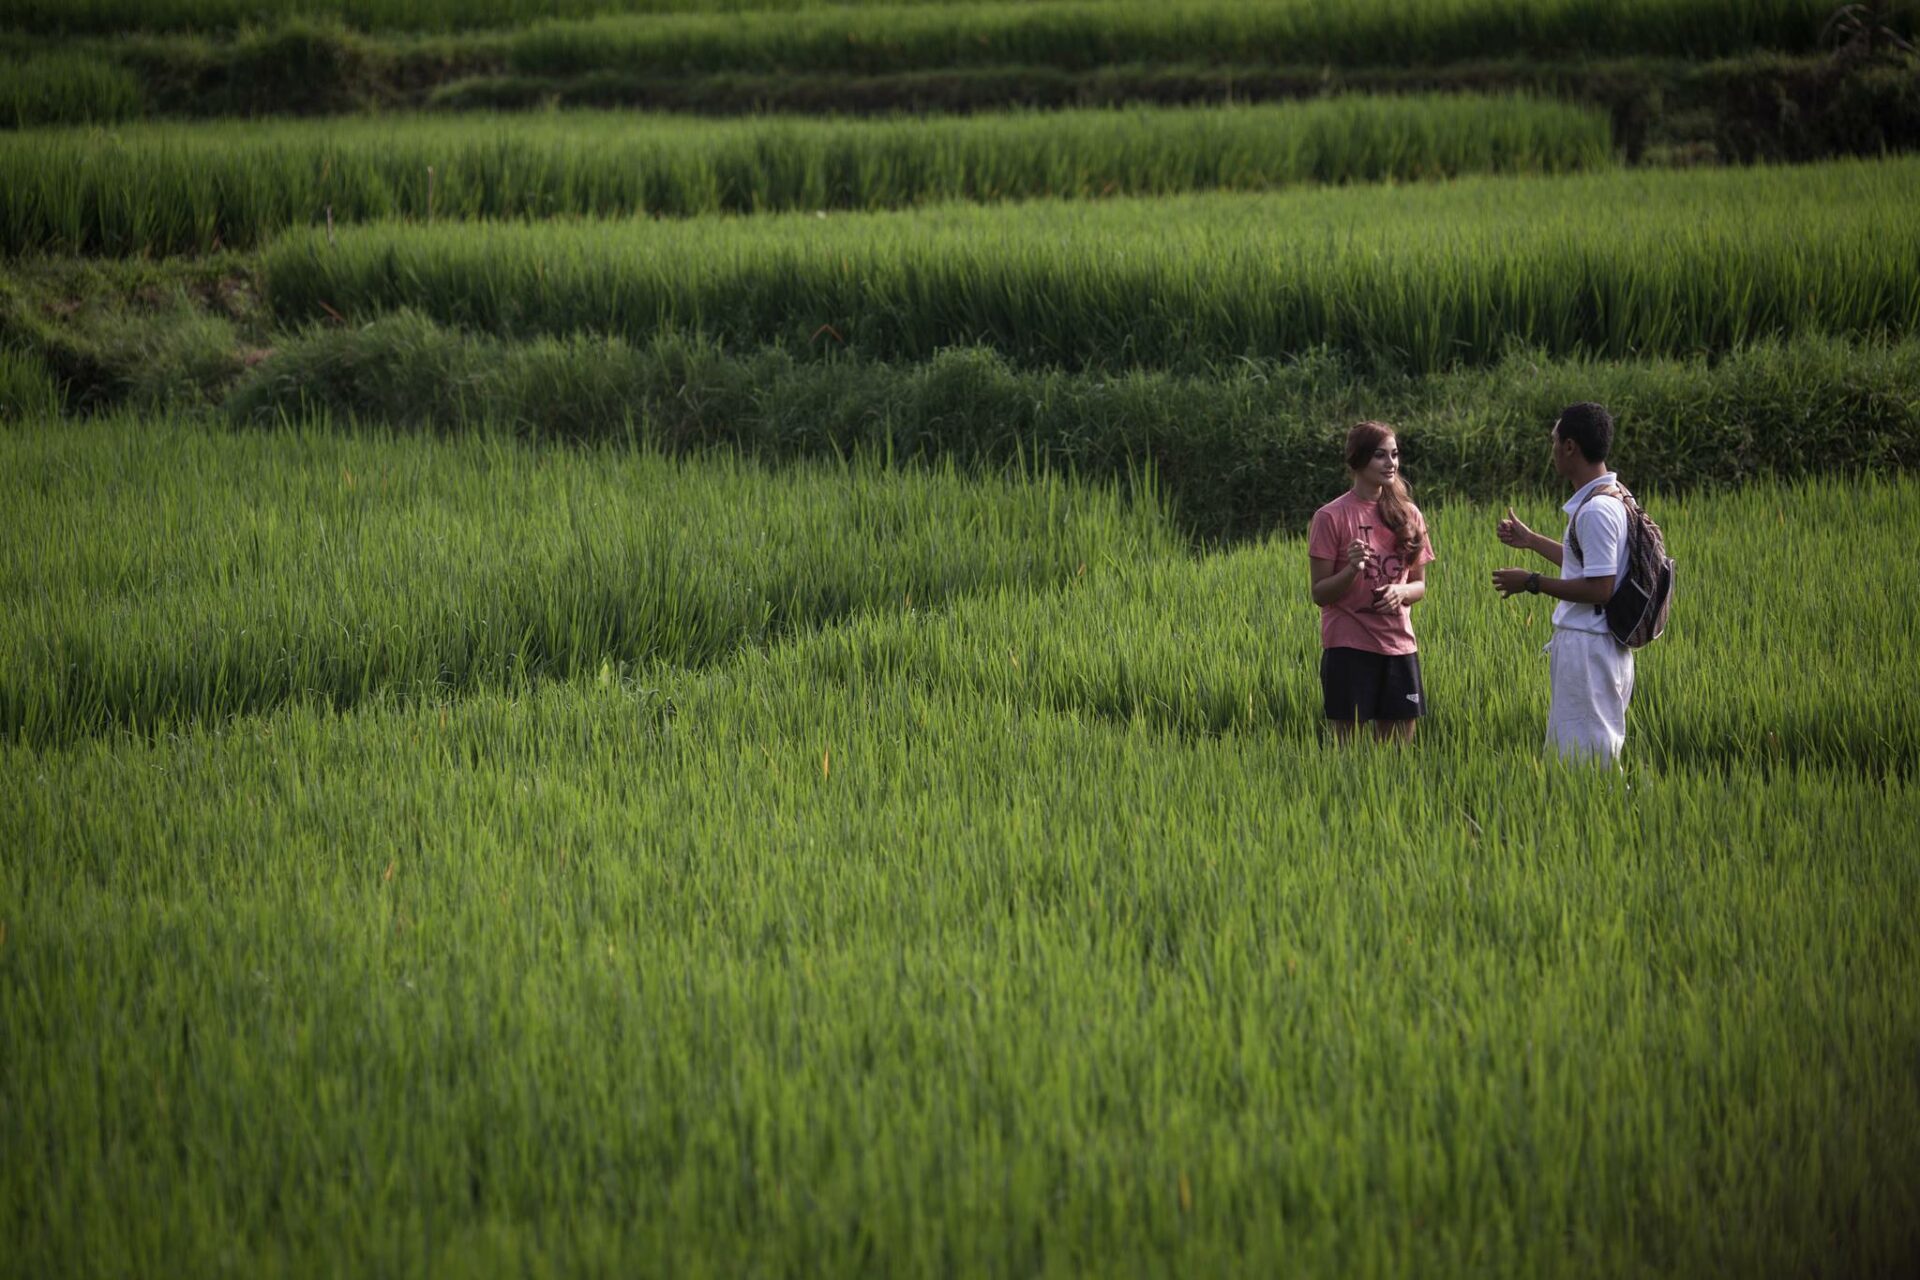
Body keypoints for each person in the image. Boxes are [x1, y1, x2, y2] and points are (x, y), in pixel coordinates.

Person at [1491, 402, 1633, 763]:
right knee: (1582, 758)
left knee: (1586, 761)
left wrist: (1531, 582)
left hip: (1589, 649)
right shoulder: (1614, 496)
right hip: (1599, 646)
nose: (1552, 448)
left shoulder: (1597, 510)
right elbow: (1587, 566)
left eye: (1554, 441)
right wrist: (1532, 541)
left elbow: (1600, 588)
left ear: (1570, 446)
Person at [1308, 422, 1435, 744]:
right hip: (1348, 647)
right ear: (1358, 459)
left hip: (1399, 646)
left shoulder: (1409, 516)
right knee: (1346, 754)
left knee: (1397, 757)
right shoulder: (1330, 517)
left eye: (1394, 454)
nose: (1391, 463)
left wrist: (1401, 591)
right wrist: (1352, 569)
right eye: (1380, 455)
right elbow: (1320, 594)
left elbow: (1419, 586)